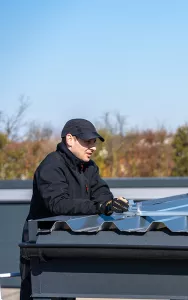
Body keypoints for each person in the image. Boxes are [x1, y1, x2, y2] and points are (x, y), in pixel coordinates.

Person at [20, 118, 130, 300]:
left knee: (66, 295)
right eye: (88, 142)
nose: (93, 147)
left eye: (94, 143)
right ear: (70, 139)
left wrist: (112, 204)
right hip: (40, 248)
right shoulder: (51, 165)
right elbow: (58, 204)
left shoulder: (89, 167)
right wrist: (101, 207)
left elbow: (101, 194)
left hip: (66, 245)